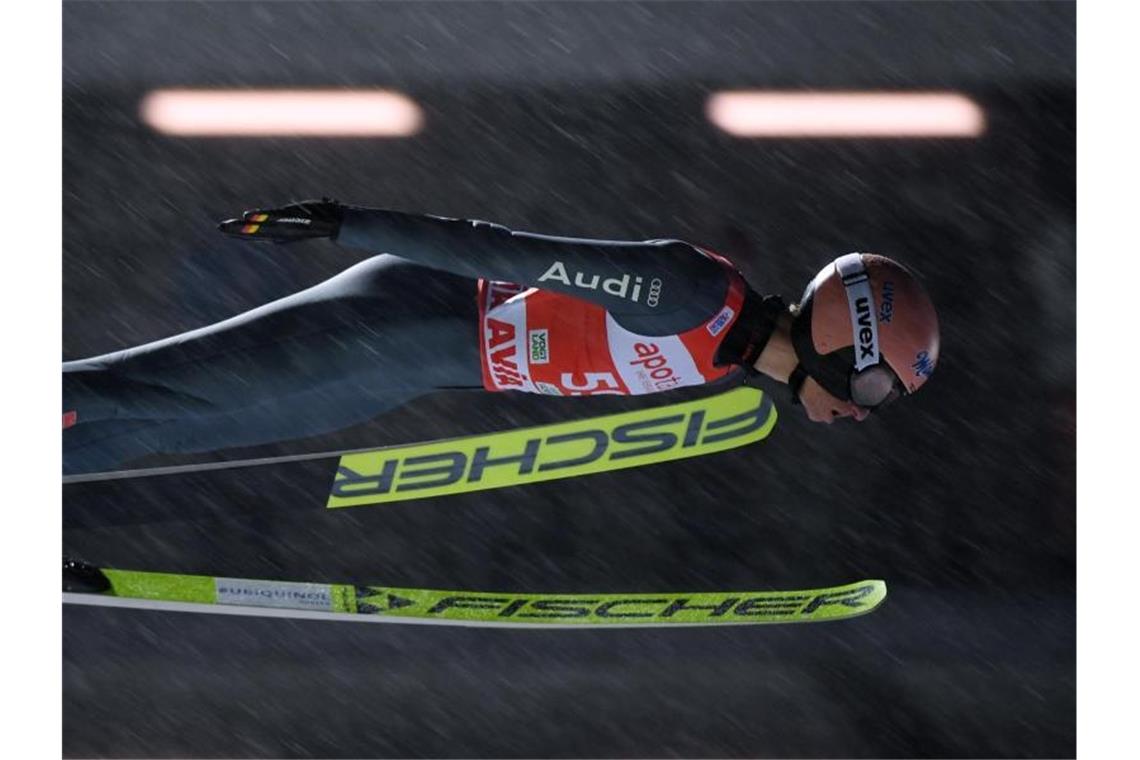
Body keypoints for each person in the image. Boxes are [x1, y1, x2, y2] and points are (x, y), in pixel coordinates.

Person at [63, 199, 940, 474]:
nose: (860, 414)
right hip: (387, 324)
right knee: (137, 389)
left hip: (396, 373)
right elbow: (506, 252)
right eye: (870, 392)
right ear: (838, 340)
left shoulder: (721, 359)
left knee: (166, 432)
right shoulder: (693, 294)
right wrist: (345, 220)